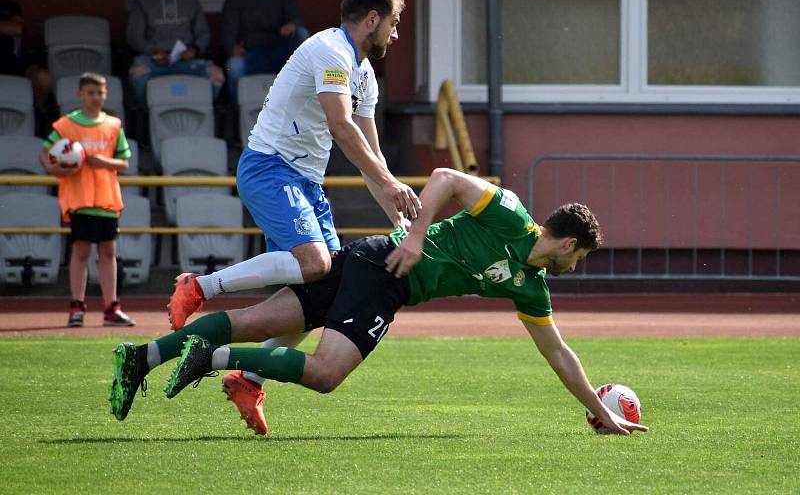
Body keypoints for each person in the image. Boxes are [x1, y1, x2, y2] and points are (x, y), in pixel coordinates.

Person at [109, 168, 649, 439]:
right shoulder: (509, 212)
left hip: (371, 267)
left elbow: (559, 354)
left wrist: (601, 414)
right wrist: (417, 235)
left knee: (253, 322)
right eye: (579, 259)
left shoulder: (531, 287)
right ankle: (213, 360)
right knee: (324, 373)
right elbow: (444, 179)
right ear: (570, 243)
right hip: (384, 270)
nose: (574, 270)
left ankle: (141, 358)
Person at [167, 0, 421, 339]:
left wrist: (400, 224)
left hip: (306, 182)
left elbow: (372, 156)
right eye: (394, 23)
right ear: (372, 19)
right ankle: (199, 287)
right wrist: (390, 183)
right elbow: (340, 125)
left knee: (326, 288)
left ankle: (249, 378)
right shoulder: (330, 51)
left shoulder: (364, 74)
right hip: (270, 166)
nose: (395, 35)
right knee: (317, 264)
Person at [39, 73, 135, 328]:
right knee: (81, 249)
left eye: (100, 93)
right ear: (80, 94)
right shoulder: (66, 125)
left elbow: (124, 162)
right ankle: (77, 307)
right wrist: (58, 169)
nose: (96, 97)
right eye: (91, 92)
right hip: (79, 198)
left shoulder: (114, 125)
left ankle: (111, 307)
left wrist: (104, 162)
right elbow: (46, 155)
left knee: (108, 251)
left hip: (106, 197)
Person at [126, 0, 224, 106]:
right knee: (137, 75)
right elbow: (134, 36)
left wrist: (193, 50)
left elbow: (203, 33)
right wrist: (153, 52)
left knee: (216, 75)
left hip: (185, 60)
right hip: (154, 61)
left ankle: (200, 112)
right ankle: (148, 117)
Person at [222, 0, 309, 105]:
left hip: (279, 55)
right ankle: (238, 112)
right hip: (250, 56)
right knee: (233, 67)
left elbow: (298, 22)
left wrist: (292, 25)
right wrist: (232, 48)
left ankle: (303, 105)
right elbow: (227, 32)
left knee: (302, 33)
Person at [0, 0, 53, 111]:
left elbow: (17, 28)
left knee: (44, 77)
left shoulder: (10, 9)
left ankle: (36, 113)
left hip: (15, 66)